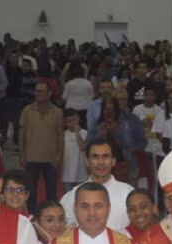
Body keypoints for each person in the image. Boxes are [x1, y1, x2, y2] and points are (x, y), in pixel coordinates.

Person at [59, 139, 134, 232]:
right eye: (95, 157)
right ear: (87, 161)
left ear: (114, 161)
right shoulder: (71, 196)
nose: (101, 162)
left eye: (105, 157)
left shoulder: (128, 193)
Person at [19, 82, 64, 213]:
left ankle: (51, 214)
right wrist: (22, 153)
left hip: (50, 158)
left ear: (49, 94)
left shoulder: (57, 112)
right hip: (31, 157)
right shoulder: (27, 110)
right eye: (37, 91)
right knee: (30, 191)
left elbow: (60, 135)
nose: (39, 94)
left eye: (42, 91)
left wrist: (59, 155)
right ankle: (32, 216)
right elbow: (21, 132)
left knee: (51, 191)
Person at [61, 108, 88, 193]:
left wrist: (77, 133)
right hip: (68, 173)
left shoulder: (85, 133)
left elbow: (82, 148)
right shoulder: (63, 134)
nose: (72, 123)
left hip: (81, 172)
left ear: (78, 119)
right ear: (65, 122)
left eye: (74, 120)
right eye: (69, 121)